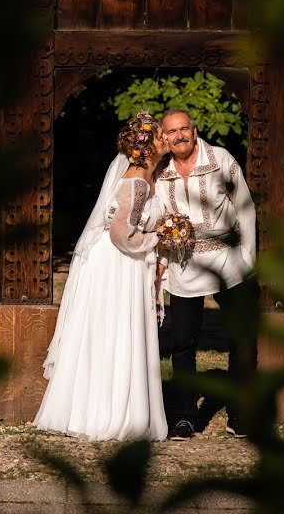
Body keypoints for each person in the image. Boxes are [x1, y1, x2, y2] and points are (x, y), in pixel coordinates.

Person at [34, 112, 169, 441]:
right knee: (114, 330)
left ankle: (103, 408)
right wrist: (159, 238)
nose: (164, 139)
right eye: (159, 136)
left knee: (112, 332)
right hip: (118, 263)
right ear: (147, 146)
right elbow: (121, 236)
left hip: (121, 263)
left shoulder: (146, 176)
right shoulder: (137, 183)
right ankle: (107, 414)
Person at [154, 108, 258, 441]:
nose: (179, 136)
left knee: (241, 340)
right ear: (164, 137)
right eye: (171, 131)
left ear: (194, 130)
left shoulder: (222, 160)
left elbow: (245, 208)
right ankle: (185, 417)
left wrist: (248, 258)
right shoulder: (161, 173)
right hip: (185, 265)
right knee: (182, 344)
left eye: (184, 129)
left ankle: (240, 414)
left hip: (229, 262)